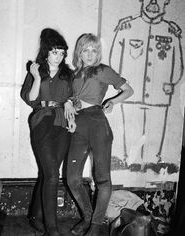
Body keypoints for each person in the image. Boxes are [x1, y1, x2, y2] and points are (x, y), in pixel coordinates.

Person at [65, 33, 134, 236]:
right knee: (72, 179)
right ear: (80, 52)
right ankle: (88, 218)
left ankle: (95, 226)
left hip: (97, 124)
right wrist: (69, 103)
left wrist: (113, 101)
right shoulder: (74, 75)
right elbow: (75, 100)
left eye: (94, 50)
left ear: (98, 53)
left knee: (102, 179)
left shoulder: (103, 70)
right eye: (85, 49)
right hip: (78, 126)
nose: (89, 54)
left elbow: (128, 90)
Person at [109, 0, 183, 164]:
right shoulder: (127, 27)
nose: (153, 3)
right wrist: (120, 82)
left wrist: (171, 83)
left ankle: (153, 162)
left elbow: (178, 62)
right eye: (149, 0)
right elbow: (114, 57)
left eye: (159, 0)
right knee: (130, 130)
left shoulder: (170, 31)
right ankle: (130, 162)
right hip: (131, 93)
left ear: (166, 3)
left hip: (159, 94)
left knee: (156, 130)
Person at [20, 28, 74, 236]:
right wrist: (35, 77)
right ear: (46, 52)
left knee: (48, 173)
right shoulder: (36, 71)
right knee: (52, 175)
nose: (58, 57)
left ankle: (35, 216)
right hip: (42, 121)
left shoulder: (68, 74)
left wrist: (70, 102)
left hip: (62, 124)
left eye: (61, 53)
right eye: (54, 52)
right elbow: (30, 99)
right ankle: (52, 229)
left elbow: (75, 96)